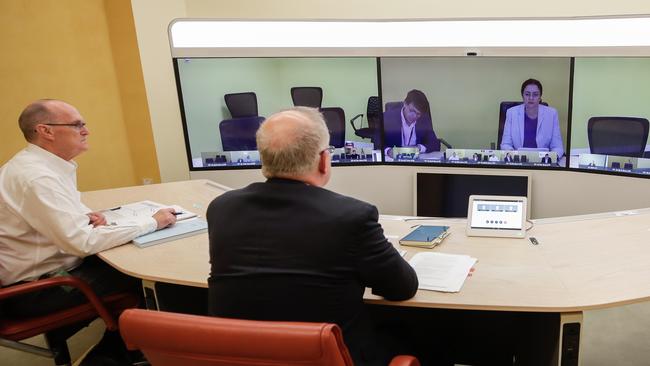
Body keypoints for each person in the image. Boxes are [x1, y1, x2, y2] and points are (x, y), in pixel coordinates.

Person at [207, 107, 419, 365]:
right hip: (337, 357)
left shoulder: (221, 209)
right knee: (427, 338)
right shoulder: (352, 216)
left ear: (264, 159)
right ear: (323, 160)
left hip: (245, 357)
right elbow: (402, 288)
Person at [0, 99, 177, 364]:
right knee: (158, 277)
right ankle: (110, 356)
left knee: (132, 260)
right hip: (38, 290)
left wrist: (82, 217)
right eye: (77, 125)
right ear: (45, 131)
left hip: (44, 272)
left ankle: (124, 345)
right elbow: (80, 242)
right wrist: (152, 222)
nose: (86, 130)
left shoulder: (39, 166)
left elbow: (53, 222)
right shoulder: (37, 178)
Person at [500, 79, 564, 157]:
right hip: (519, 161)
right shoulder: (511, 113)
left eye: (535, 94)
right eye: (527, 94)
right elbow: (505, 144)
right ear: (522, 96)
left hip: (543, 162)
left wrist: (552, 159)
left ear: (540, 97)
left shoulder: (551, 114)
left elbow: (557, 147)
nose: (531, 98)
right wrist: (514, 157)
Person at [383, 89, 439, 157]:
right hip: (394, 161)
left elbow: (435, 143)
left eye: (418, 114)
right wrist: (388, 151)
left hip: (416, 161)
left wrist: (418, 148)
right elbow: (377, 142)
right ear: (405, 104)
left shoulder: (424, 119)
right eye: (412, 111)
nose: (414, 116)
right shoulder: (387, 117)